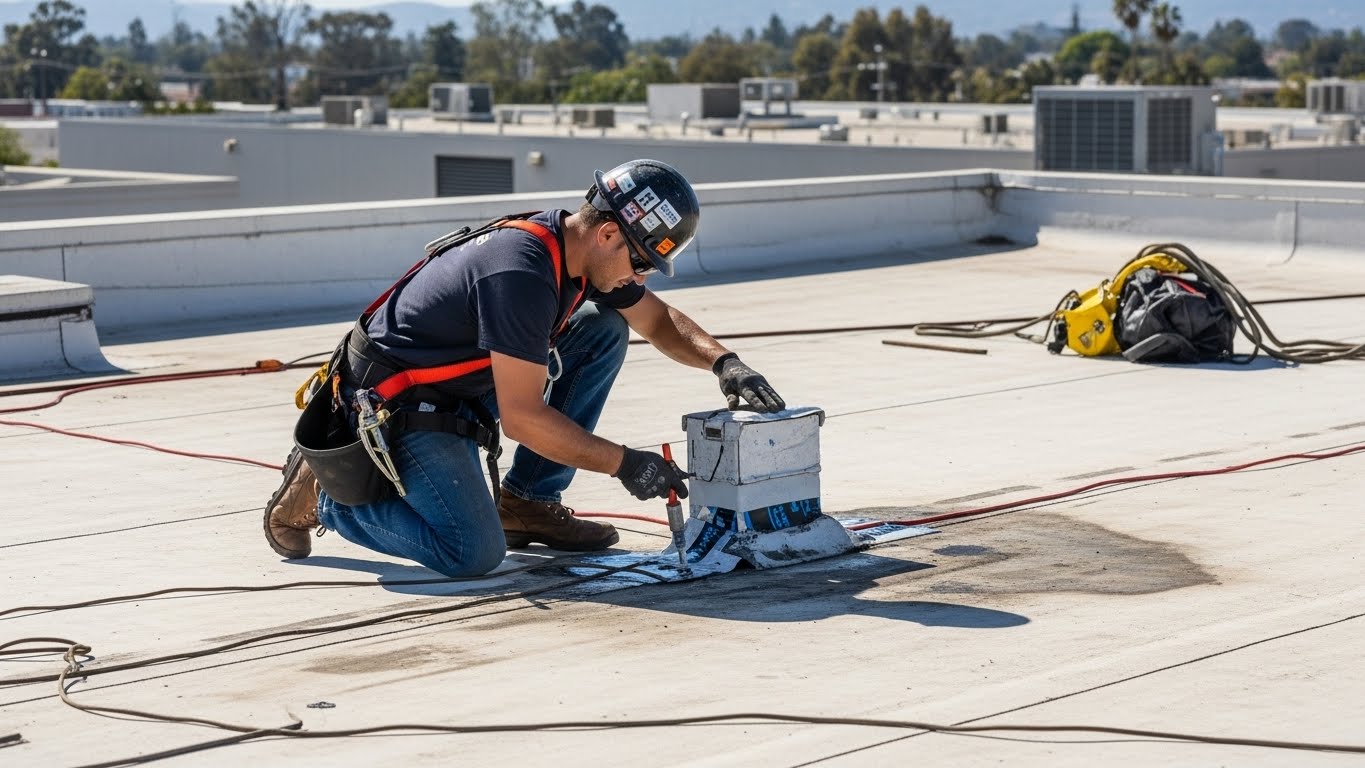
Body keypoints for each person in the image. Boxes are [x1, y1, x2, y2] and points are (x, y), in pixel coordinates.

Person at [264, 159, 786, 577]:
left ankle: (527, 501)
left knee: (601, 329)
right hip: (396, 405)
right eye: (643, 261)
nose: (643, 275)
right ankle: (331, 496)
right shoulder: (522, 273)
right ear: (608, 235)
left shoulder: (579, 250)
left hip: (457, 383)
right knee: (471, 553)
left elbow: (659, 322)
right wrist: (625, 463)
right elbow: (522, 418)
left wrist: (725, 363)